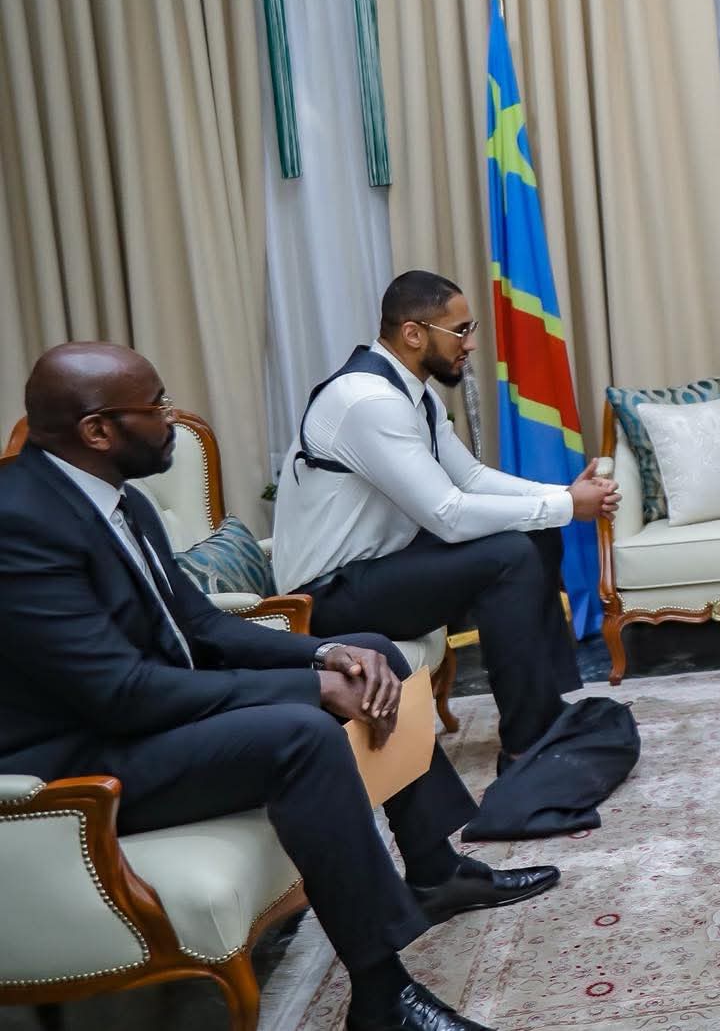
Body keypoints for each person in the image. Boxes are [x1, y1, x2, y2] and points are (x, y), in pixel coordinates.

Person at [0, 343, 558, 1031]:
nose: (172, 419)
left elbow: (202, 626)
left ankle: (436, 870)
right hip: (77, 768)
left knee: (374, 655)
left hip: (144, 715)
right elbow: (119, 692)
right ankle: (383, 997)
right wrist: (311, 689)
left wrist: (330, 652)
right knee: (301, 735)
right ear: (97, 431)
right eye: (157, 406)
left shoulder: (121, 501)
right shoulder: (19, 524)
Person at [271, 271, 618, 770]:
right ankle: (525, 746)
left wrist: (562, 497)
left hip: (378, 570)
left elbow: (470, 477)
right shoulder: (369, 401)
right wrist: (567, 506)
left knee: (536, 533)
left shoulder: (412, 392)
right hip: (326, 597)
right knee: (509, 554)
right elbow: (448, 514)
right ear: (413, 333)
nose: (470, 344)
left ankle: (546, 710)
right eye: (460, 331)